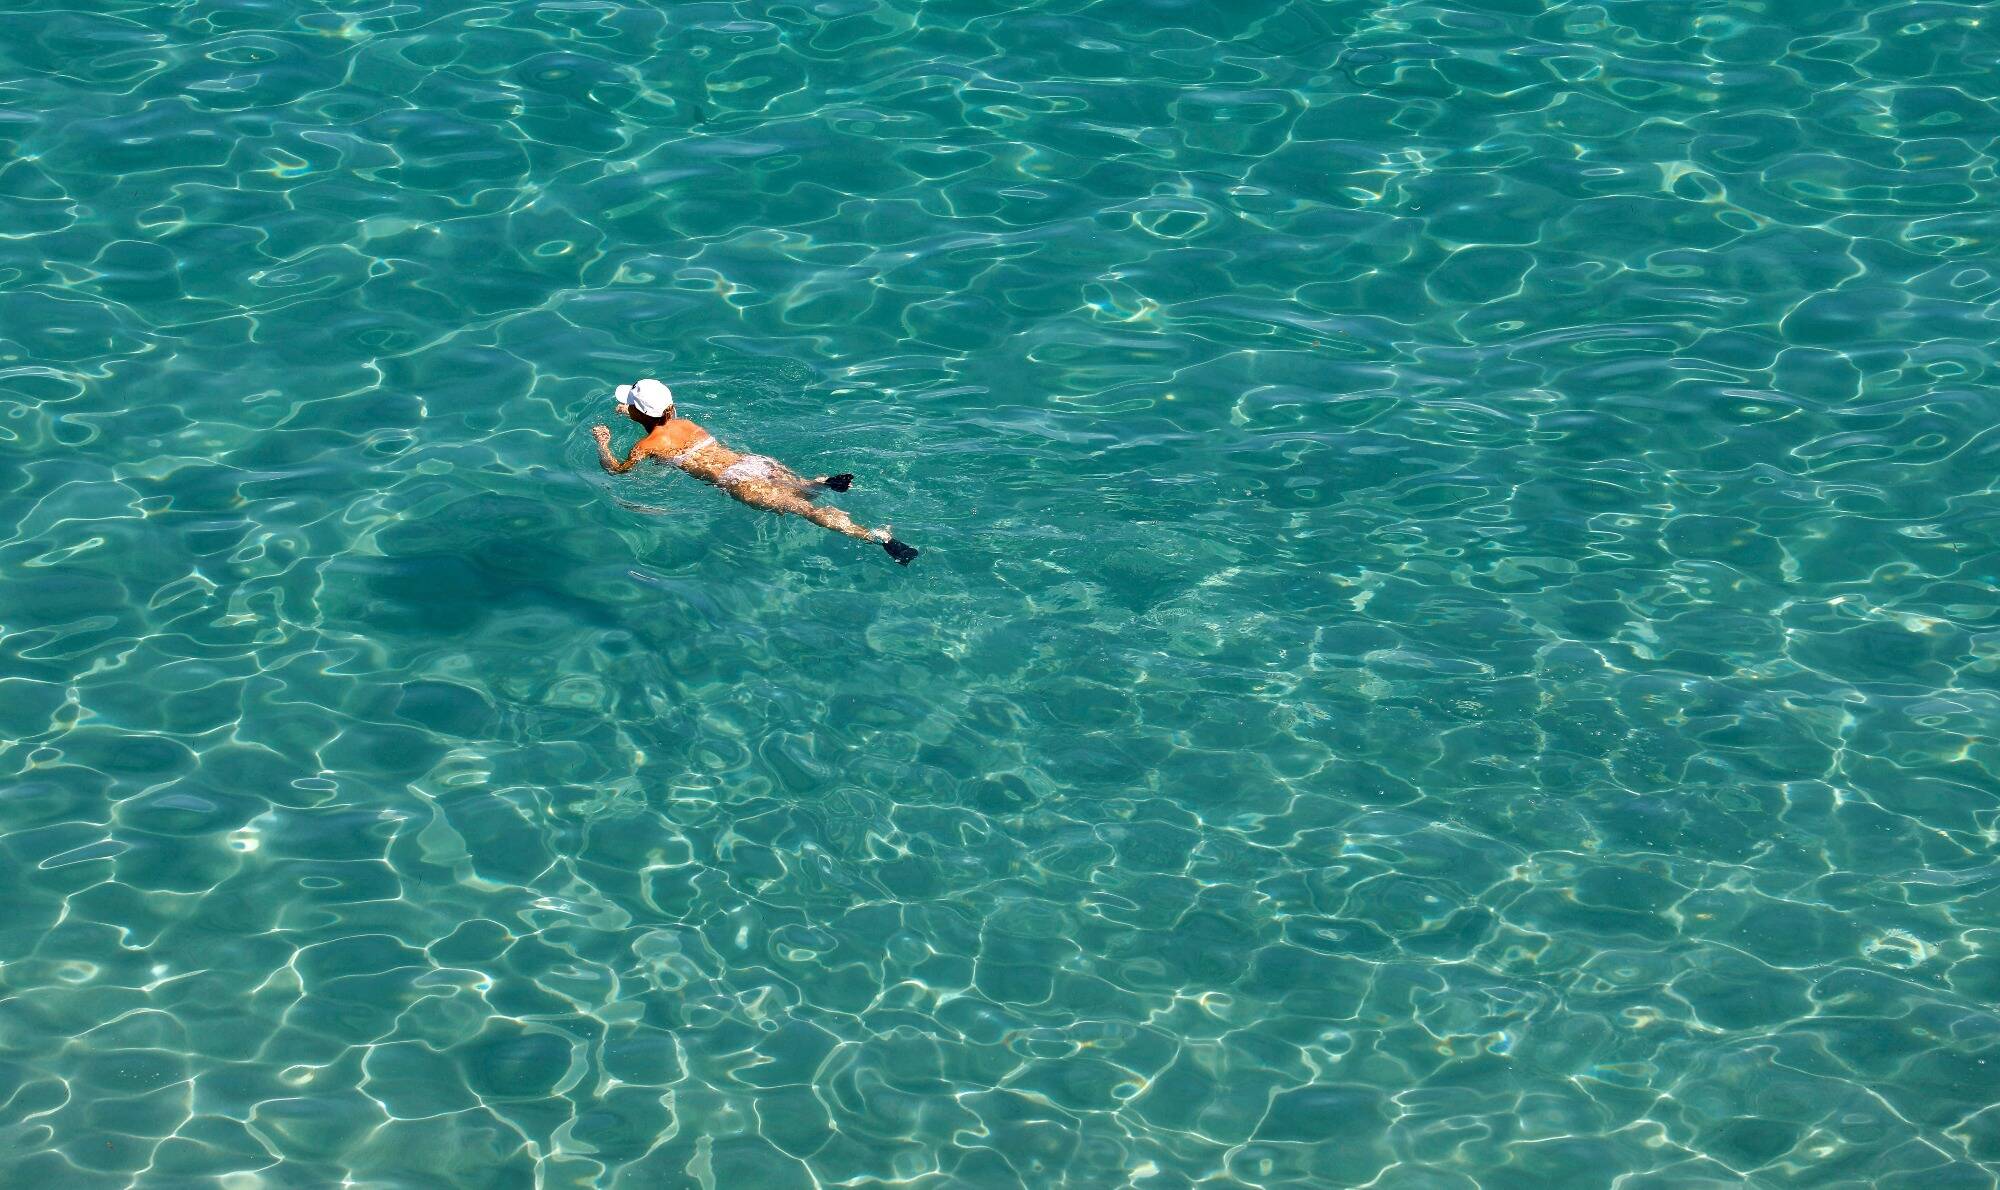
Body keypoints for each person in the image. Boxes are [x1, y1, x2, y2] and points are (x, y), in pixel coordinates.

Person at [593, 378, 919, 565]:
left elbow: (617, 472)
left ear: (638, 412)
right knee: (800, 490)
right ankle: (820, 482)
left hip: (736, 482)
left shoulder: (645, 447)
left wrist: (603, 445)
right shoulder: (684, 423)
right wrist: (634, 413)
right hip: (752, 463)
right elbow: (662, 423)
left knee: (804, 510)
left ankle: (876, 537)